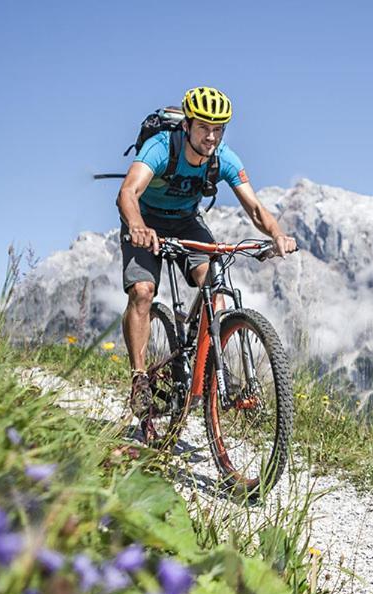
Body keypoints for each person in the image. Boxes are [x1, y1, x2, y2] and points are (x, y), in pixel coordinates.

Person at [116, 86, 296, 416]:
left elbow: (255, 208)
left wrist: (278, 235)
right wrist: (138, 227)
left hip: (185, 221)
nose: (211, 137)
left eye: (218, 129)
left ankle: (203, 365)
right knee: (142, 291)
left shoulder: (224, 158)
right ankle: (140, 379)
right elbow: (128, 192)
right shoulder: (160, 147)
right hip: (146, 221)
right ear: (187, 125)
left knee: (215, 287)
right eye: (203, 127)